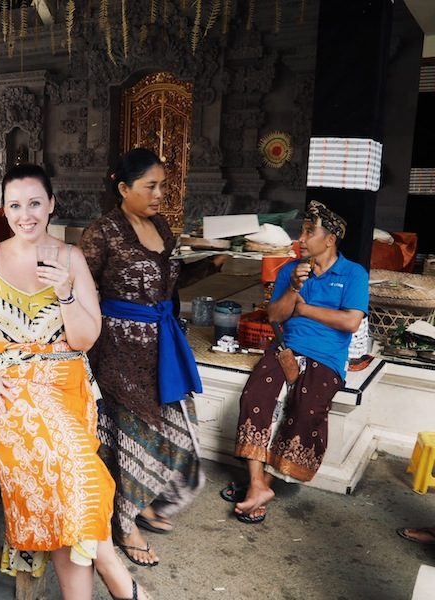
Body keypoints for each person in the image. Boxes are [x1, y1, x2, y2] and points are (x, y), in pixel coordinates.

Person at [0, 164, 150, 600]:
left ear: (51, 205)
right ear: (3, 210)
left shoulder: (71, 258)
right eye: (16, 205)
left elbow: (84, 338)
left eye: (35, 203)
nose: (26, 215)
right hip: (0, 388)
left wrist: (65, 293)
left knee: (64, 482)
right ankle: (113, 569)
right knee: (80, 471)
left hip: (64, 387)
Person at [79, 147, 227, 568]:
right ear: (124, 188)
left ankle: (142, 500)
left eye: (163, 184)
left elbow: (171, 282)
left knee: (176, 428)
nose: (160, 193)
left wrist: (214, 263)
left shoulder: (161, 227)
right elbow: (80, 292)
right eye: (151, 186)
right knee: (130, 437)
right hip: (116, 352)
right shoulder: (102, 233)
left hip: (161, 346)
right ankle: (125, 526)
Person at [224, 201, 368, 524]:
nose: (301, 238)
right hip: (285, 348)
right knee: (255, 397)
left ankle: (261, 487)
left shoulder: (353, 274)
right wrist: (293, 288)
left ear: (329, 239)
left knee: (305, 408)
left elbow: (351, 322)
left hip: (326, 358)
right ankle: (257, 486)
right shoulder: (292, 270)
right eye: (301, 230)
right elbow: (274, 316)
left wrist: (304, 310)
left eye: (308, 231)